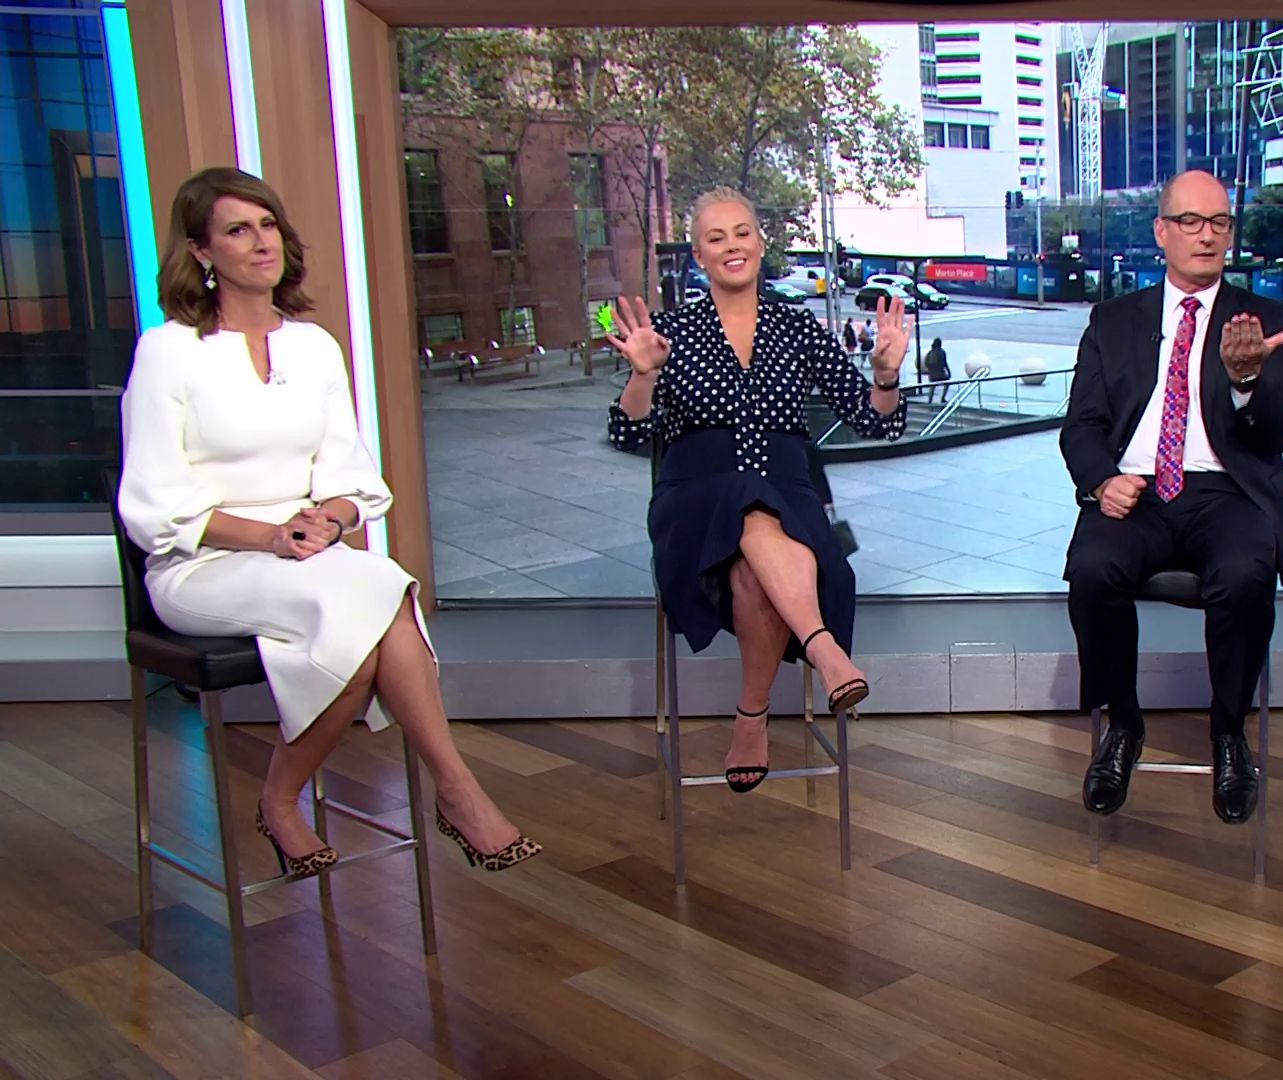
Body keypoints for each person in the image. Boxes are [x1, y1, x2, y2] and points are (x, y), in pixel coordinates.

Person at [118, 167, 539, 875]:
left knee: (372, 595)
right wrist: (269, 536)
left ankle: (299, 799)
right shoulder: (169, 351)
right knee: (373, 602)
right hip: (203, 563)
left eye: (268, 225)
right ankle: (447, 791)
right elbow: (153, 504)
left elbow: (350, 477)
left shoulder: (313, 346)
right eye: (238, 230)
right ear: (200, 251)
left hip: (308, 556)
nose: (262, 242)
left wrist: (330, 521)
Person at [605, 188, 909, 793]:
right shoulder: (671, 332)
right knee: (745, 496)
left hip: (786, 492)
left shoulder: (796, 327)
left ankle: (751, 718)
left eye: (742, 233)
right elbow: (628, 431)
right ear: (698, 255)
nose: (732, 246)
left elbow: (875, 421)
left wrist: (885, 376)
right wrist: (643, 375)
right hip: (695, 497)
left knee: (753, 565)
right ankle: (823, 647)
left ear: (761, 243)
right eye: (716, 238)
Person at [1061, 170, 1283, 825]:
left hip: (1228, 492)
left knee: (1246, 576)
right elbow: (1081, 425)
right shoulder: (1114, 320)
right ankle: (1124, 725)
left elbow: (1276, 435)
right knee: (1092, 569)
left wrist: (1247, 382)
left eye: (1219, 222)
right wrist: (1102, 481)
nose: (1206, 235)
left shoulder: (1265, 321)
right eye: (1190, 222)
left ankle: (1228, 732)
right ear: (1161, 232)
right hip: (1136, 489)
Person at [918, 336, 951, 403]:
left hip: (932, 375)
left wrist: (930, 370)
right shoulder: (942, 352)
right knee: (947, 383)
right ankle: (943, 398)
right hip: (941, 375)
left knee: (932, 387)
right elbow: (945, 363)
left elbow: (926, 363)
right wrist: (949, 372)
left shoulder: (930, 352)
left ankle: (930, 400)